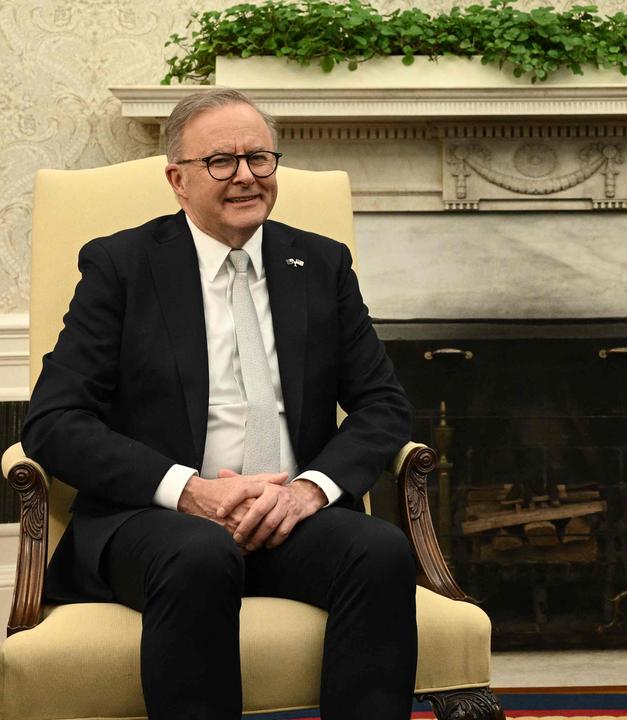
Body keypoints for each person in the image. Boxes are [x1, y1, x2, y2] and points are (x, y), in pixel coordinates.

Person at [22, 88, 417, 719]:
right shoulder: (121, 266)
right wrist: (188, 492)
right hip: (155, 524)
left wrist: (308, 492)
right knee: (198, 552)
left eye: (259, 159)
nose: (245, 177)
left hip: (289, 516)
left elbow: (382, 405)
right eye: (221, 162)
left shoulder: (318, 263)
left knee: (380, 550)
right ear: (177, 179)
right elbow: (53, 420)